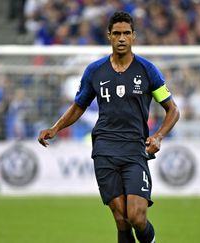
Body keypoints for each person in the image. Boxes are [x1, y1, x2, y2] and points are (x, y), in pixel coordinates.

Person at [37, 11, 180, 243]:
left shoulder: (147, 70)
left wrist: (159, 136)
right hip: (105, 149)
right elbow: (78, 106)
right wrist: (55, 128)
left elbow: (173, 110)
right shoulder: (95, 71)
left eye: (126, 33)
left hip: (135, 149)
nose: (121, 38)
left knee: (136, 216)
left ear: (133, 36)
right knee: (121, 219)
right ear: (109, 36)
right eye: (117, 34)